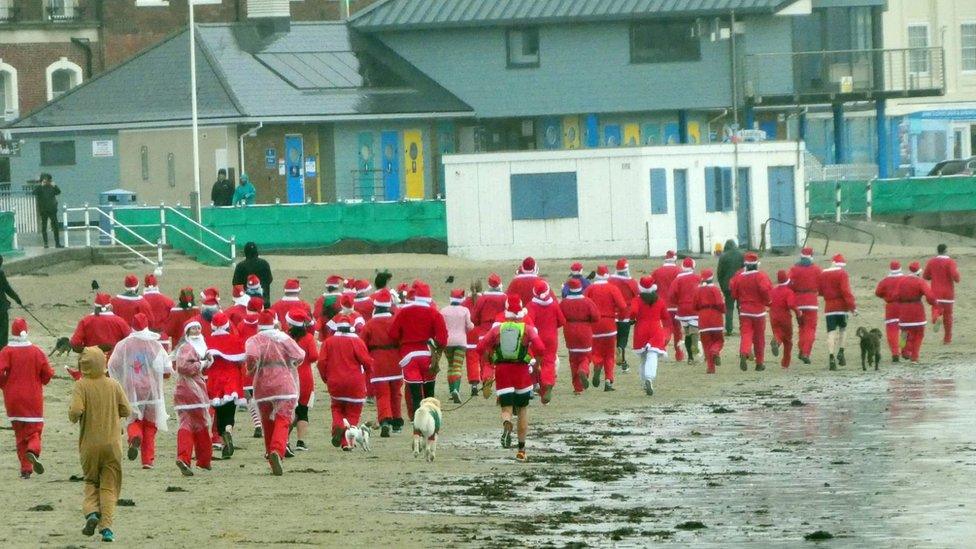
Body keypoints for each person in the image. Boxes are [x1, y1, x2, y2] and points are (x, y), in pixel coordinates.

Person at [68, 347, 131, 543]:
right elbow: (126, 410)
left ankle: (91, 514)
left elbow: (75, 412)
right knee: (109, 487)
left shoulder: (81, 385)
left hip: (89, 445)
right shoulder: (113, 384)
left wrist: (74, 413)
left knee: (90, 482)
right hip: (112, 444)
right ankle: (107, 529)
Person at [476, 294, 545, 462]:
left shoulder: (497, 329)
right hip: (521, 372)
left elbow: (480, 347)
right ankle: (521, 450)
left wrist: (489, 358)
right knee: (522, 410)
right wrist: (537, 365)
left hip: (502, 371)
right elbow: (541, 349)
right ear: (521, 311)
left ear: (505, 311)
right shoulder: (526, 329)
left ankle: (506, 423)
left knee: (506, 408)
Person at [107, 314, 171, 470]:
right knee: (150, 424)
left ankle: (135, 437)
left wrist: (121, 376)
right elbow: (167, 369)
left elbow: (113, 365)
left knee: (134, 419)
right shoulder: (155, 345)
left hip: (132, 388)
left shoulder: (123, 345)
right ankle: (147, 460)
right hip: (151, 389)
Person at [245, 310, 305, 476]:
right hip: (284, 384)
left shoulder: (254, 340)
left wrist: (251, 369)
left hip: (262, 387)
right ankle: (277, 451)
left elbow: (250, 356)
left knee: (267, 422)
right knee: (283, 419)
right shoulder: (283, 337)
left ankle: (270, 453)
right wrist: (291, 363)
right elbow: (300, 355)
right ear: (275, 322)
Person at [0, 318, 54, 478]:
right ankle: (33, 450)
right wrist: (42, 379)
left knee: (19, 435)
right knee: (34, 432)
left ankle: (26, 469)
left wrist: (4, 384)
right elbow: (48, 374)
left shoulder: (6, 351)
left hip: (13, 400)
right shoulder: (36, 352)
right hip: (32, 399)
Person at [389, 282, 448, 419]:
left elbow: (393, 334)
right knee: (429, 391)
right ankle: (431, 418)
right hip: (427, 353)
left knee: (415, 392)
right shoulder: (434, 313)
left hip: (409, 355)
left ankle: (417, 419)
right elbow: (443, 339)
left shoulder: (403, 312)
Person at [317, 314, 373, 450]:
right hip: (355, 383)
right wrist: (368, 374)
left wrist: (326, 378)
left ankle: (338, 426)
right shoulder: (357, 342)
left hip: (335, 382)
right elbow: (367, 362)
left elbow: (321, 363)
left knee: (337, 409)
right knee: (353, 413)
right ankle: (346, 442)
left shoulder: (328, 342)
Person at [360, 289, 403, 437]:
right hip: (396, 361)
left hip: (377, 362)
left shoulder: (369, 325)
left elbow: (362, 345)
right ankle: (397, 422)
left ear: (376, 307)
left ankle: (385, 421)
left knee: (382, 394)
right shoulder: (396, 321)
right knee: (396, 393)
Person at [173, 321, 213, 476]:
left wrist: (206, 362)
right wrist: (202, 364)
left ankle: (186, 458)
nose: (196, 331)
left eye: (198, 328)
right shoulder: (187, 348)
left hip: (187, 390)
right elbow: (184, 367)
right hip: (191, 390)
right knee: (200, 424)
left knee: (188, 424)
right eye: (193, 329)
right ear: (187, 332)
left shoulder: (197, 347)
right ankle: (203, 459)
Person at [205, 312, 246, 460]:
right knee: (230, 410)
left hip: (215, 379)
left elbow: (205, 362)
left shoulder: (208, 341)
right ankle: (228, 430)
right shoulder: (235, 340)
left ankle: (223, 439)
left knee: (219, 411)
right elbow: (241, 361)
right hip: (232, 378)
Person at [584, 265, 628, 391]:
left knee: (596, 351)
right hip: (609, 325)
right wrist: (621, 319)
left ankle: (597, 365)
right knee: (609, 354)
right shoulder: (612, 288)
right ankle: (608, 380)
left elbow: (584, 304)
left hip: (594, 325)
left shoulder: (590, 288)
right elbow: (623, 306)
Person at [729, 252, 772, 372]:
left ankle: (744, 351)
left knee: (746, 334)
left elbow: (733, 292)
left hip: (745, 311)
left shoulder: (739, 277)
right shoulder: (761, 276)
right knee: (759, 338)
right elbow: (765, 291)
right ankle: (759, 362)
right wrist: (768, 301)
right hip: (758, 311)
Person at [526, 280, 565, 404]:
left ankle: (535, 385)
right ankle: (547, 384)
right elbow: (562, 321)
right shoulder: (553, 305)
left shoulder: (531, 306)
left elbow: (528, 322)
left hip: (536, 338)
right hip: (551, 338)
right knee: (549, 362)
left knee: (534, 362)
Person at [559, 277, 600, 395]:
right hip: (584, 331)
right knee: (586, 357)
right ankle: (583, 370)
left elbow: (560, 318)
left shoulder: (564, 302)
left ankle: (577, 388)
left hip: (570, 331)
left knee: (573, 360)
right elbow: (596, 317)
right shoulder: (587, 302)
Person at [630, 276, 670, 395]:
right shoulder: (660, 300)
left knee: (643, 357)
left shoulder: (637, 300)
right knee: (652, 355)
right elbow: (666, 317)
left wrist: (632, 319)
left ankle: (644, 381)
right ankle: (649, 377)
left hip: (641, 329)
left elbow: (633, 312)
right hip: (656, 329)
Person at [286, 309, 318, 453]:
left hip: (289, 376)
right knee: (303, 410)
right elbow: (314, 357)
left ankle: (284, 439)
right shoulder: (309, 338)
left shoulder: (285, 337)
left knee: (288, 409)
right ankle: (301, 441)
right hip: (305, 376)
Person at [818, 254, 857, 371]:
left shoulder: (823, 274)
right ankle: (841, 351)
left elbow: (820, 291)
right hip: (841, 307)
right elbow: (846, 291)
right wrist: (852, 307)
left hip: (829, 307)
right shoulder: (842, 274)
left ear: (832, 262)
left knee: (831, 332)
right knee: (843, 329)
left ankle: (831, 356)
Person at [471, 273, 507, 395]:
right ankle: (502, 384)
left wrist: (478, 323)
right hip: (500, 331)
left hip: (485, 332)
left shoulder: (483, 298)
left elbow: (474, 316)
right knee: (502, 360)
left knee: (486, 361)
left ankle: (486, 378)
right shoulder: (504, 298)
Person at [897, 262, 937, 364]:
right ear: (919, 272)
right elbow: (930, 297)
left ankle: (904, 351)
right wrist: (934, 303)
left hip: (904, 312)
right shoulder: (920, 282)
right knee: (919, 335)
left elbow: (896, 296)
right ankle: (914, 356)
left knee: (904, 334)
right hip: (917, 312)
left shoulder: (902, 281)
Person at [789, 247, 822, 364]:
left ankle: (801, 348)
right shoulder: (816, 269)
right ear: (811, 256)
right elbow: (821, 285)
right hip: (811, 302)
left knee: (802, 327)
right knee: (810, 328)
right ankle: (805, 352)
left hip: (798, 302)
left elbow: (790, 285)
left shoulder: (794, 269)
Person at [440, 289, 474, 403]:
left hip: (447, 341)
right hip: (460, 341)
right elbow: (469, 326)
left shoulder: (443, 310)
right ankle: (456, 389)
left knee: (450, 365)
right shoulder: (465, 310)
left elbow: (441, 326)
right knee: (457, 366)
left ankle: (451, 391)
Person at [923, 244, 961, 344]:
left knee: (936, 309)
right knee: (948, 316)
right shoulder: (950, 262)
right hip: (948, 293)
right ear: (945, 250)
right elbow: (956, 277)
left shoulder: (932, 261)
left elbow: (926, 276)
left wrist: (934, 276)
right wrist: (957, 278)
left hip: (936, 292)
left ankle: (936, 318)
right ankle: (947, 339)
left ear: (938, 251)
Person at [608, 258, 639, 373]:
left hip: (611, 314)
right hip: (626, 314)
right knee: (623, 338)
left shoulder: (610, 280)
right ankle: (623, 363)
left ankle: (608, 363)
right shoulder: (632, 282)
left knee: (611, 339)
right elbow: (637, 297)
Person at [652, 251, 684, 361]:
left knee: (666, 328)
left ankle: (661, 346)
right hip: (677, 305)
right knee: (678, 330)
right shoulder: (679, 271)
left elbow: (652, 288)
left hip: (663, 305)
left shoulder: (657, 272)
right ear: (675, 259)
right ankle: (679, 354)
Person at [669, 258, 702, 364]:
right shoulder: (698, 278)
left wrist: (677, 302)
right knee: (695, 329)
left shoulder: (677, 279)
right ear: (693, 266)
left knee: (687, 333)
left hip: (682, 309)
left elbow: (671, 294)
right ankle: (695, 345)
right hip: (695, 308)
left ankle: (690, 358)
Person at [693, 270, 726, 374]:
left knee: (706, 344)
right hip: (716, 317)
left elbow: (694, 306)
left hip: (703, 318)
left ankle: (710, 368)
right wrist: (724, 311)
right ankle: (715, 351)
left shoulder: (697, 290)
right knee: (719, 340)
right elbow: (720, 304)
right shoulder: (715, 290)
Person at [769, 270, 800, 369]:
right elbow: (791, 304)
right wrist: (798, 313)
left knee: (778, 333)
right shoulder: (788, 292)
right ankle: (785, 363)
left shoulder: (773, 291)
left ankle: (777, 341)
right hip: (785, 317)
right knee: (788, 341)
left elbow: (768, 302)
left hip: (773, 316)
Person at [875, 261, 905, 362]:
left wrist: (885, 296)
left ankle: (895, 353)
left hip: (891, 307)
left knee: (892, 331)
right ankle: (903, 348)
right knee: (904, 330)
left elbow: (878, 292)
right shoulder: (905, 279)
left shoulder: (885, 281)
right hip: (903, 305)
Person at [716, 239, 744, 335]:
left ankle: (729, 329)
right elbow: (744, 270)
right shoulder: (741, 255)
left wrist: (722, 287)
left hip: (727, 286)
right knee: (741, 307)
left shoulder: (723, 257)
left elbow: (720, 273)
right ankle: (743, 327)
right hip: (740, 285)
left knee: (729, 308)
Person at [233, 242, 273, 307]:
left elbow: (236, 284)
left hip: (246, 303)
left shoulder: (240, 266)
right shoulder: (264, 264)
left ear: (245, 252)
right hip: (264, 302)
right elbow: (269, 280)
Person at [0, 255, 24, 349]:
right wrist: (17, 299)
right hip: (1, 307)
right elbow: (7, 288)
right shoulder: (0, 273)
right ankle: (2, 349)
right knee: (3, 330)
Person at [33, 173, 62, 248]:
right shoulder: (40, 188)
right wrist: (40, 185)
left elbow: (58, 192)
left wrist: (54, 185)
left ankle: (57, 243)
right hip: (44, 210)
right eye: (45, 180)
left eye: (48, 180)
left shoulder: (52, 187)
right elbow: (34, 192)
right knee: (44, 226)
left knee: (55, 226)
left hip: (52, 210)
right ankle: (46, 243)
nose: (47, 181)